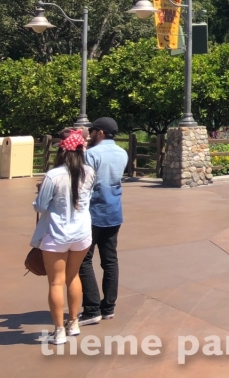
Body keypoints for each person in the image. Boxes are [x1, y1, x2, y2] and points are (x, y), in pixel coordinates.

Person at [32, 128, 96, 345]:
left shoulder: (53, 175)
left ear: (62, 151)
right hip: (82, 233)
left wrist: (40, 195)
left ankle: (59, 331)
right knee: (73, 276)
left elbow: (40, 206)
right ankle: (73, 322)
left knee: (56, 283)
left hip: (57, 234)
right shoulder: (89, 172)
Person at [79, 117, 128, 326]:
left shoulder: (90, 154)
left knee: (84, 260)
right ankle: (108, 307)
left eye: (92, 132)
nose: (90, 135)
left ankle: (92, 309)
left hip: (93, 212)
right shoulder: (122, 153)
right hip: (114, 211)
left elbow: (85, 185)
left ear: (100, 132)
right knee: (110, 260)